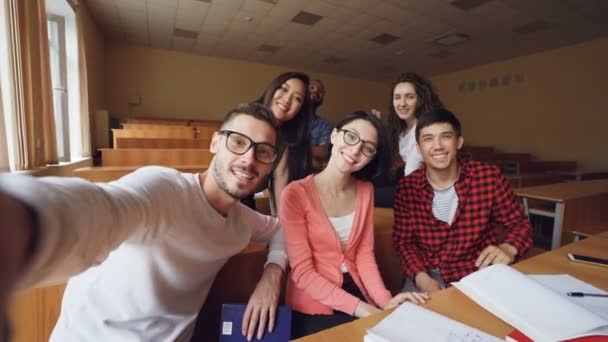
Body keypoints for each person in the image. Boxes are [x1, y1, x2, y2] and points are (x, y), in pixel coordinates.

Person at [0, 103, 288, 341]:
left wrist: (271, 275)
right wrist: (24, 217)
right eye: (238, 142)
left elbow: (280, 230)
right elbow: (105, 209)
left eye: (262, 151)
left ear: (270, 164)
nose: (249, 159)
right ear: (215, 143)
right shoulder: (164, 190)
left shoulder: (241, 221)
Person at [280, 111, 428, 339]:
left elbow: (364, 256)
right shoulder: (295, 194)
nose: (356, 150)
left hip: (356, 289)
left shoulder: (365, 191)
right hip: (313, 301)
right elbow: (303, 273)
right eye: (351, 137)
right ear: (334, 136)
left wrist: (385, 302)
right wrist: (364, 310)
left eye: (368, 148)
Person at [392, 109, 533, 293]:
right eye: (428, 139)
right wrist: (421, 278)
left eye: (446, 136)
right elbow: (404, 243)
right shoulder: (406, 188)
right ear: (418, 148)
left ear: (458, 142)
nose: (438, 146)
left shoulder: (487, 177)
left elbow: (520, 224)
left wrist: (509, 247)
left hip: (478, 271)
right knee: (403, 319)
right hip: (428, 273)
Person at [242, 72, 314, 214]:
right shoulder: (245, 118)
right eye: (284, 89)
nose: (287, 100)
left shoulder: (285, 142)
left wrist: (283, 228)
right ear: (273, 88)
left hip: (245, 203)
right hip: (221, 196)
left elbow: (280, 186)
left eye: (297, 98)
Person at [388, 72, 445, 176]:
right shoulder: (401, 130)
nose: (402, 103)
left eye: (410, 97)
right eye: (397, 97)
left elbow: (411, 171)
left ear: (420, 100)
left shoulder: (426, 129)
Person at [308, 79, 333, 172]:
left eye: (320, 90)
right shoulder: (291, 118)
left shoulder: (324, 124)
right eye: (312, 88)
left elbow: (323, 152)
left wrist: (297, 149)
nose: (316, 91)